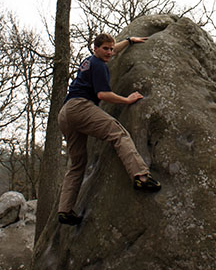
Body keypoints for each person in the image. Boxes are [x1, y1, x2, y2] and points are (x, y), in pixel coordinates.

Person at [57, 33, 161, 226]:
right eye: (105, 48)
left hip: (65, 114)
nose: (110, 52)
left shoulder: (89, 62)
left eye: (111, 48)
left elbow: (111, 51)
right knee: (117, 132)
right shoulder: (98, 65)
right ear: (95, 48)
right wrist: (127, 100)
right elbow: (103, 94)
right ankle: (141, 176)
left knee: (77, 163)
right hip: (80, 107)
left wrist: (128, 41)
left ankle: (65, 210)